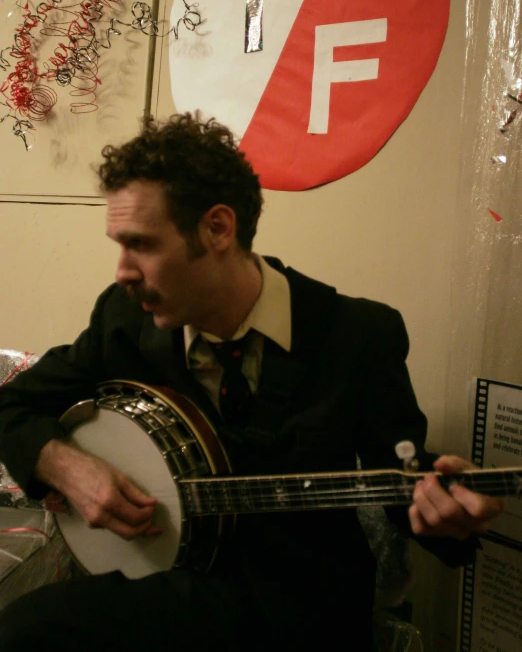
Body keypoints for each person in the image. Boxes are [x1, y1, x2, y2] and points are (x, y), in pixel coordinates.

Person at [0, 112, 503, 651]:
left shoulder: (357, 334)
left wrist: (444, 513)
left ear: (218, 228)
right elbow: (12, 407)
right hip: (159, 578)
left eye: (141, 244)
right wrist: (67, 466)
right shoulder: (125, 319)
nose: (122, 269)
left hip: (297, 608)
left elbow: (404, 481)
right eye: (119, 245)